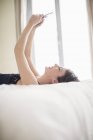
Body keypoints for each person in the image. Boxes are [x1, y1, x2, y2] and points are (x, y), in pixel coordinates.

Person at [0, 14, 79, 85]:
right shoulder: (37, 77)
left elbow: (18, 51)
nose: (56, 64)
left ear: (55, 81)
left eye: (59, 68)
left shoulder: (33, 83)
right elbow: (27, 55)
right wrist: (34, 27)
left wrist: (30, 24)